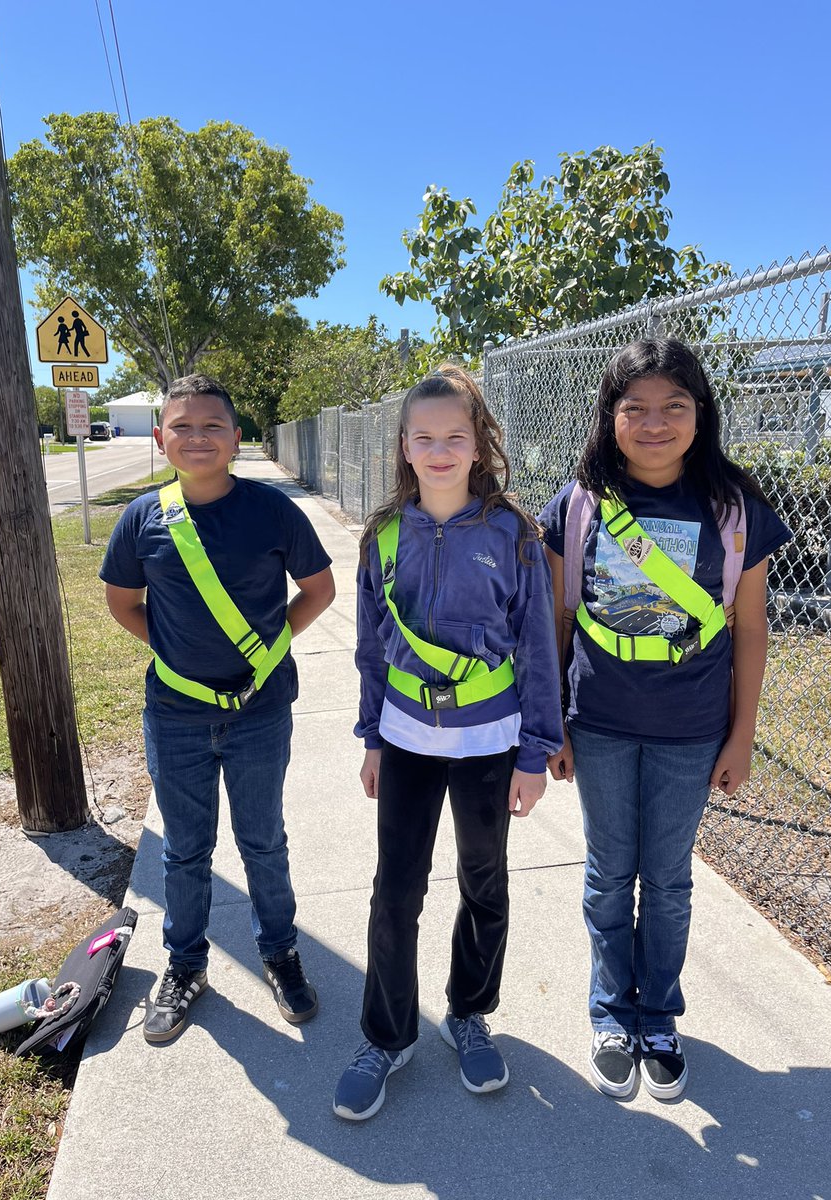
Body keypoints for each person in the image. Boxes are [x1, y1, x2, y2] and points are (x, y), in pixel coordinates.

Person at [539, 338, 791, 1101]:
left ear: (700, 414)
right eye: (635, 408)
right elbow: (557, 615)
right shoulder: (580, 502)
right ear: (609, 418)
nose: (655, 423)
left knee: (669, 880)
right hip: (601, 721)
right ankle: (612, 1013)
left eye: (673, 407)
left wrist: (742, 736)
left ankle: (659, 1016)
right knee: (609, 875)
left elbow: (750, 627)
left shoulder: (733, 505)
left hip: (692, 729)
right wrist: (552, 717)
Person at [333, 365, 562, 1120]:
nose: (439, 451)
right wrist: (371, 737)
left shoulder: (512, 533)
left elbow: (534, 647)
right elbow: (370, 649)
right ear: (403, 445)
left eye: (454, 436)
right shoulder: (384, 535)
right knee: (395, 889)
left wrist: (534, 752)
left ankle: (469, 1012)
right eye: (424, 437)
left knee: (483, 882)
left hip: (489, 741)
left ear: (479, 442)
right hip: (404, 739)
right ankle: (388, 1034)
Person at [100, 374, 335, 1043]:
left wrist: (267, 652)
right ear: (160, 438)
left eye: (212, 426)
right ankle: (185, 965)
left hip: (261, 713)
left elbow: (318, 590)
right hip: (174, 715)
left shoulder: (271, 512)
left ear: (236, 438)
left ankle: (280, 955)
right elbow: (123, 604)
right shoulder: (142, 518)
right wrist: (174, 654)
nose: (197, 437)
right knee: (185, 850)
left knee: (264, 842)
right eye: (182, 426)